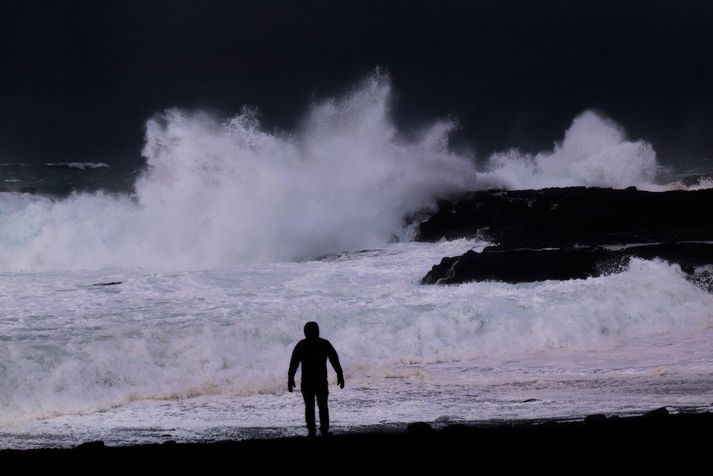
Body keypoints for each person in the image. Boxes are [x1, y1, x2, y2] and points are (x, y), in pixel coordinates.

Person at [288, 321, 344, 437]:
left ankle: (311, 430)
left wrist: (290, 378)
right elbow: (334, 359)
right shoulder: (324, 344)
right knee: (322, 405)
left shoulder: (302, 345)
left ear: (305, 333)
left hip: (308, 381)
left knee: (310, 406)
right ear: (317, 332)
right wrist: (340, 374)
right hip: (320, 381)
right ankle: (324, 429)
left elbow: (294, 363)